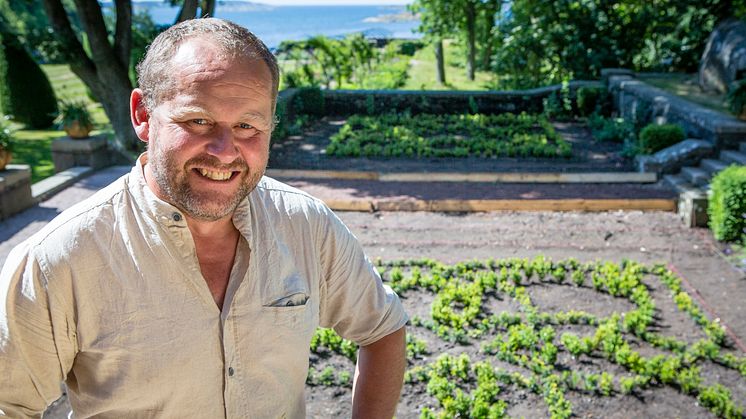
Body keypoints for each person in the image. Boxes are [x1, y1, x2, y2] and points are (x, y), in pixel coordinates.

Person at [0, 18, 407, 418]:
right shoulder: (58, 260)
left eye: (248, 126)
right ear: (143, 114)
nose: (225, 151)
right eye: (198, 120)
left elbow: (383, 329)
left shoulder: (306, 225)